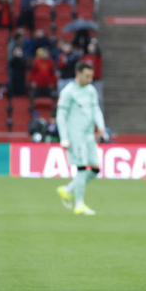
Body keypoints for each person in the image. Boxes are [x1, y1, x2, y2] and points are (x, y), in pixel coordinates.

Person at [55, 61, 106, 216]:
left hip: (89, 135)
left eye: (91, 76)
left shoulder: (91, 90)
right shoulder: (68, 92)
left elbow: (95, 108)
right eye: (87, 76)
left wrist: (101, 125)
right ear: (78, 74)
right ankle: (79, 205)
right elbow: (61, 115)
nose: (90, 79)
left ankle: (67, 189)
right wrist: (64, 138)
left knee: (95, 169)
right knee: (82, 168)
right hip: (75, 136)